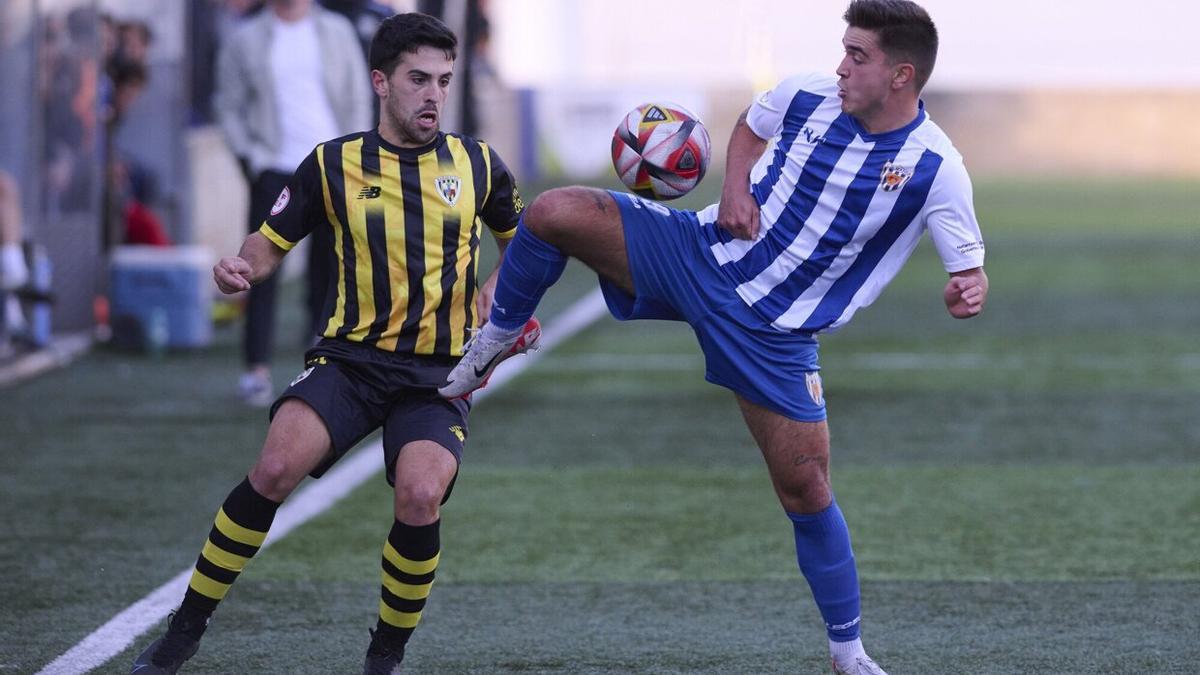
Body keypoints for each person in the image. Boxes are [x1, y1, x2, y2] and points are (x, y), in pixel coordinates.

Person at [440, 1, 988, 673]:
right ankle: (496, 336)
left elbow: (970, 270)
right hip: (701, 251)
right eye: (843, 49)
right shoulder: (809, 92)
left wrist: (968, 289)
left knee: (807, 488)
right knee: (555, 211)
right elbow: (752, 127)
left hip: (773, 334)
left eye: (858, 56)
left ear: (902, 76)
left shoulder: (938, 168)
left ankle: (848, 651)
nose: (840, 66)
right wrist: (733, 187)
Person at [131, 12, 538, 674]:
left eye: (443, 79)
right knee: (272, 469)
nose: (433, 93)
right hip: (348, 360)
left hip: (439, 371)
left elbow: (525, 244)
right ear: (381, 82)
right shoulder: (332, 163)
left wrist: (507, 296)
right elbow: (269, 240)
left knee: (420, 494)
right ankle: (183, 631)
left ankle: (384, 654)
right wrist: (242, 265)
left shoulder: (479, 166)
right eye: (418, 79)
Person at [214, 0, 372, 407]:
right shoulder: (246, 38)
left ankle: (320, 367)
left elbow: (357, 95)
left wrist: (351, 156)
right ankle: (256, 370)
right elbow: (227, 105)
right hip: (274, 168)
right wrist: (250, 157)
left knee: (331, 268)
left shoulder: (336, 31)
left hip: (330, 167)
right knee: (257, 268)